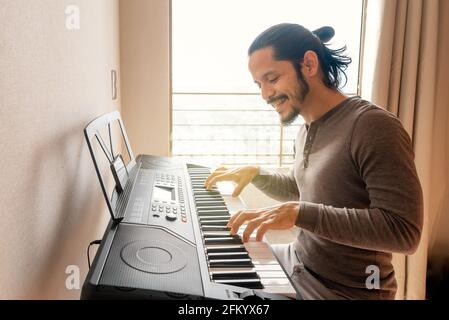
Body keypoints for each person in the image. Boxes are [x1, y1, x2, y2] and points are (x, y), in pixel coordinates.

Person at [204, 23, 423, 300]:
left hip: (348, 290)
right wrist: (257, 174)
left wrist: (299, 213)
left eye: (272, 78)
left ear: (308, 64)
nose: (265, 94)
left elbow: (403, 232)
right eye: (259, 84)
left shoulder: (373, 126)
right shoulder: (306, 128)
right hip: (300, 262)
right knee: (215, 262)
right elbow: (310, 189)